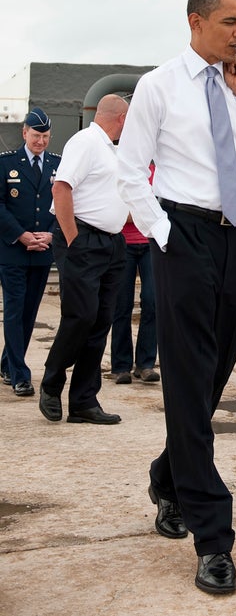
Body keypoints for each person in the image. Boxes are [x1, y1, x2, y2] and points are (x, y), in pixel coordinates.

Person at [116, 0, 236, 597]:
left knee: (214, 367)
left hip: (235, 234)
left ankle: (169, 475)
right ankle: (212, 535)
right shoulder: (159, 87)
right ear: (195, 22)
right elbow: (131, 170)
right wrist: (162, 233)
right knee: (187, 373)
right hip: (182, 232)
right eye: (230, 22)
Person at [38, 94, 129, 426]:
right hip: (84, 240)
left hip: (112, 244)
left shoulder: (114, 150)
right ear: (120, 118)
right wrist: (74, 241)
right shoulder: (86, 142)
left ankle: (83, 401)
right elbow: (61, 189)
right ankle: (51, 384)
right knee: (81, 316)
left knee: (101, 321)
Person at [0, 108, 61, 397]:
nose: (41, 141)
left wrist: (50, 234)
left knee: (28, 312)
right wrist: (21, 235)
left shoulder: (57, 165)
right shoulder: (6, 164)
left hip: (42, 249)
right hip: (13, 250)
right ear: (24, 133)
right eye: (36, 135)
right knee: (14, 312)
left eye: (46, 136)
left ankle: (6, 363)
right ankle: (19, 375)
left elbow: (62, 202)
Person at [110, 188, 159, 384]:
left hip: (151, 243)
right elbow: (118, 214)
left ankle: (145, 364)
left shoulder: (156, 172)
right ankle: (120, 366)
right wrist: (145, 211)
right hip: (123, 242)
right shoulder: (120, 171)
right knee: (121, 305)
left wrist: (135, 211)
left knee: (152, 301)